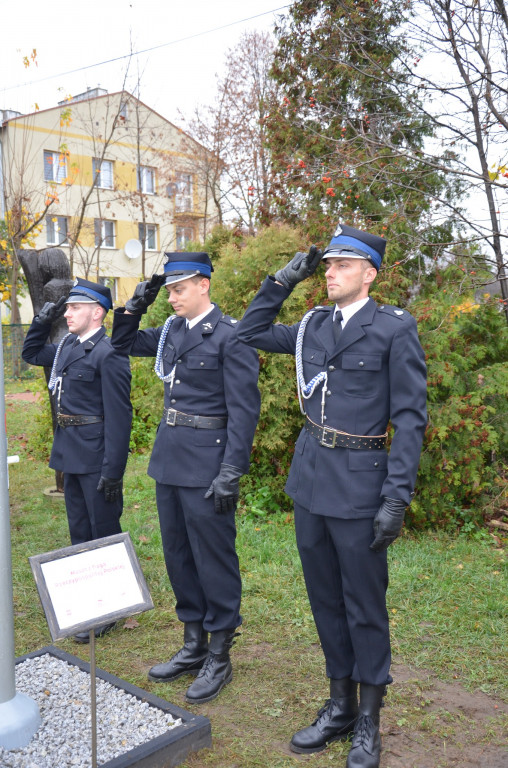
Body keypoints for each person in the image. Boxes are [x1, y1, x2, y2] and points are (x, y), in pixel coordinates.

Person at [237, 223, 427, 768]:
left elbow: (410, 420)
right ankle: (340, 704)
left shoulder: (393, 328)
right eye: (327, 266)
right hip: (311, 480)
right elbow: (249, 333)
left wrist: (396, 497)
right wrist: (281, 281)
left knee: (364, 605)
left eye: (342, 265)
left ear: (369, 273)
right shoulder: (313, 325)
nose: (330, 273)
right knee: (324, 598)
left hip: (362, 483)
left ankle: (369, 718)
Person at [111, 251, 260, 704]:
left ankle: (219, 651)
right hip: (171, 459)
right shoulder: (173, 330)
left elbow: (244, 410)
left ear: (204, 285)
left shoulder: (230, 336)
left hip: (208, 462)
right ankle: (193, 642)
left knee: (213, 557)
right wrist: (137, 304)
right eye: (169, 290)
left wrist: (232, 470)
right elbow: (122, 344)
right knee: (178, 553)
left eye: (179, 289)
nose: (173, 297)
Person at [22, 278, 132, 642]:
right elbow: (32, 354)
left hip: (98, 456)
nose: (67, 313)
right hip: (71, 452)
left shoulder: (109, 352)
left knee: (104, 531)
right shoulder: (68, 344)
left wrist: (113, 471)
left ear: (97, 312)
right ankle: (88, 599)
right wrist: (42, 319)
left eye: (73, 307)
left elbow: (120, 416)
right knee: (79, 530)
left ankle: (112, 607)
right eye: (66, 308)